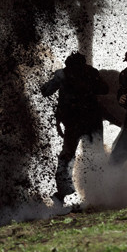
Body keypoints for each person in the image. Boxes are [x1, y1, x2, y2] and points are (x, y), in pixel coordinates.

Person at [41, 52, 108, 204]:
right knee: (92, 156)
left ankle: (66, 193)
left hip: (78, 121)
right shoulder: (88, 72)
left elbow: (46, 91)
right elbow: (104, 88)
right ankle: (96, 193)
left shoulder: (63, 74)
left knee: (69, 156)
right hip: (87, 120)